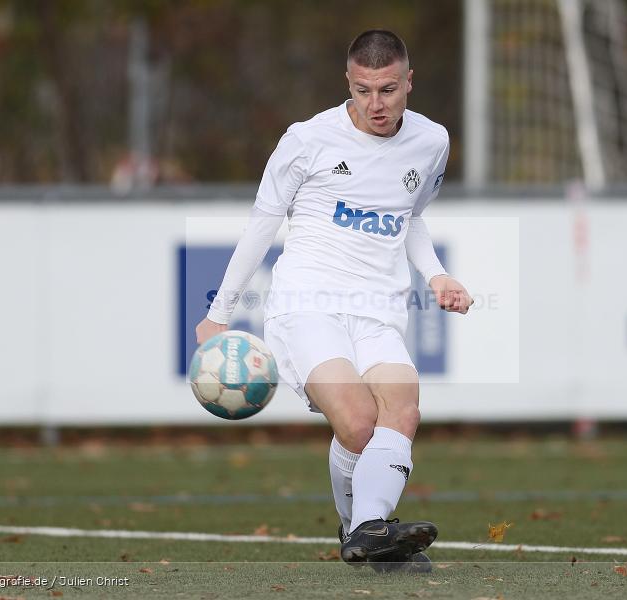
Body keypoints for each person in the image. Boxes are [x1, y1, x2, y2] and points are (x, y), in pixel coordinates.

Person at [196, 29, 472, 571]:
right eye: (364, 90)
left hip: (379, 310)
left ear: (409, 82)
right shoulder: (306, 140)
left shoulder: (432, 141)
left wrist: (437, 275)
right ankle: (364, 527)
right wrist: (217, 315)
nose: (376, 104)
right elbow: (260, 226)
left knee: (404, 408)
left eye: (389, 90)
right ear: (348, 82)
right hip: (307, 306)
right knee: (357, 423)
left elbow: (410, 217)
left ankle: (368, 532)